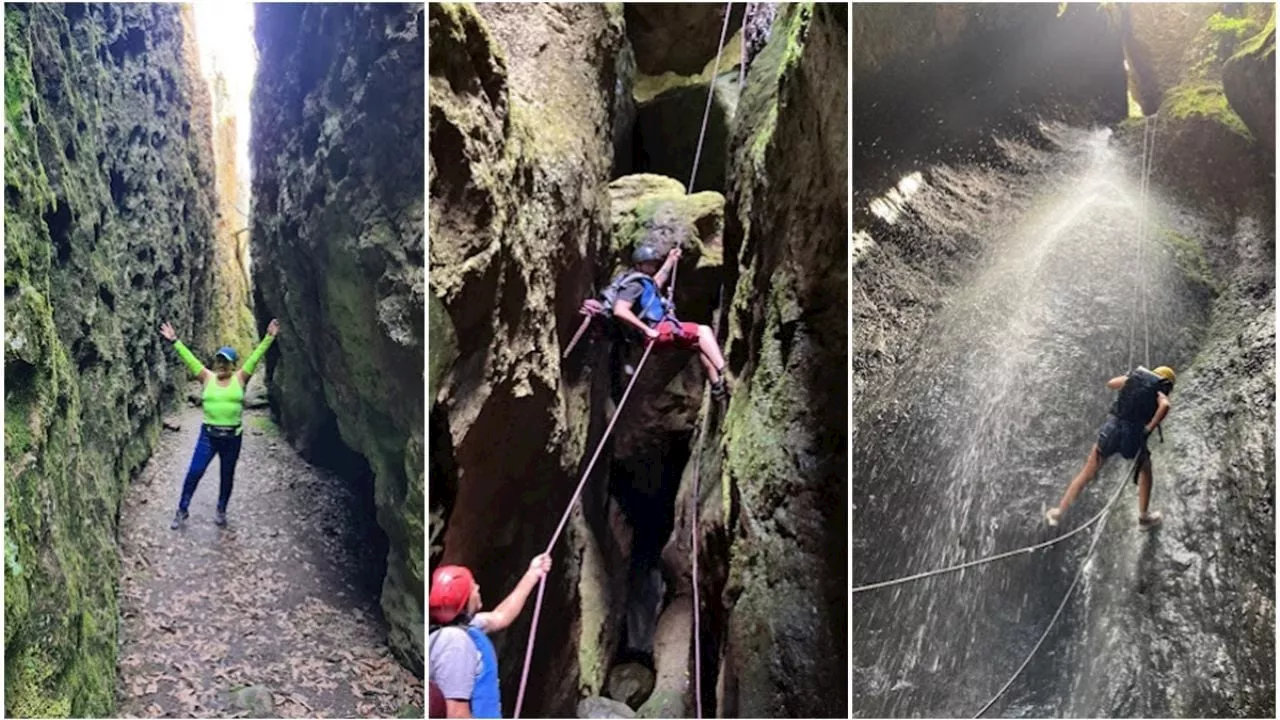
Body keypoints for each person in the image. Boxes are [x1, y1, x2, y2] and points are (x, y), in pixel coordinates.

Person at [160, 319, 280, 529]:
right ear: (215, 363)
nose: (222, 364)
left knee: (227, 475)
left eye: (226, 361)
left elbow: (255, 357)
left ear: (233, 364)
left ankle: (221, 510)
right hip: (208, 436)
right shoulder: (206, 377)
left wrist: (269, 338)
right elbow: (190, 359)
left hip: (232, 438)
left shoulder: (241, 378)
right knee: (194, 472)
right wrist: (175, 341)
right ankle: (182, 509)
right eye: (219, 360)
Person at [592, 244, 730, 400]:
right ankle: (723, 369)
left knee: (699, 345)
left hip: (659, 329)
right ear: (639, 265)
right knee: (703, 331)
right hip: (656, 331)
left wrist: (671, 260)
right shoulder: (633, 285)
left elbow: (658, 280)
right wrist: (646, 330)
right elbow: (620, 310)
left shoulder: (644, 282)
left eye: (653, 263)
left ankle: (717, 385)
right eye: (648, 263)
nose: (653, 266)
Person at [1045, 365, 1176, 529]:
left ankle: (1059, 512)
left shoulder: (1134, 380)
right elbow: (1165, 405)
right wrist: (1149, 427)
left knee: (1087, 472)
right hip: (1132, 436)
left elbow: (1111, 383)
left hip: (1111, 429)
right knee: (1145, 469)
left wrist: (1130, 381)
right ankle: (1144, 517)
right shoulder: (1159, 389)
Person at [429, 555, 552, 718]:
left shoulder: (466, 628)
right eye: (473, 587)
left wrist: (532, 573)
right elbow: (456, 714)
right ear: (463, 601)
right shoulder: (454, 643)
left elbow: (500, 616)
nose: (478, 587)